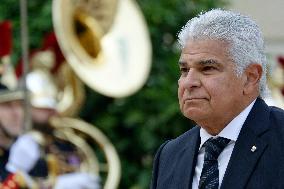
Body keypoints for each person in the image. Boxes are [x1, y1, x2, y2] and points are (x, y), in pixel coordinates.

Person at [151, 9, 284, 189]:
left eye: (207, 68)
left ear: (250, 77)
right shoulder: (170, 154)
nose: (188, 82)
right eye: (184, 70)